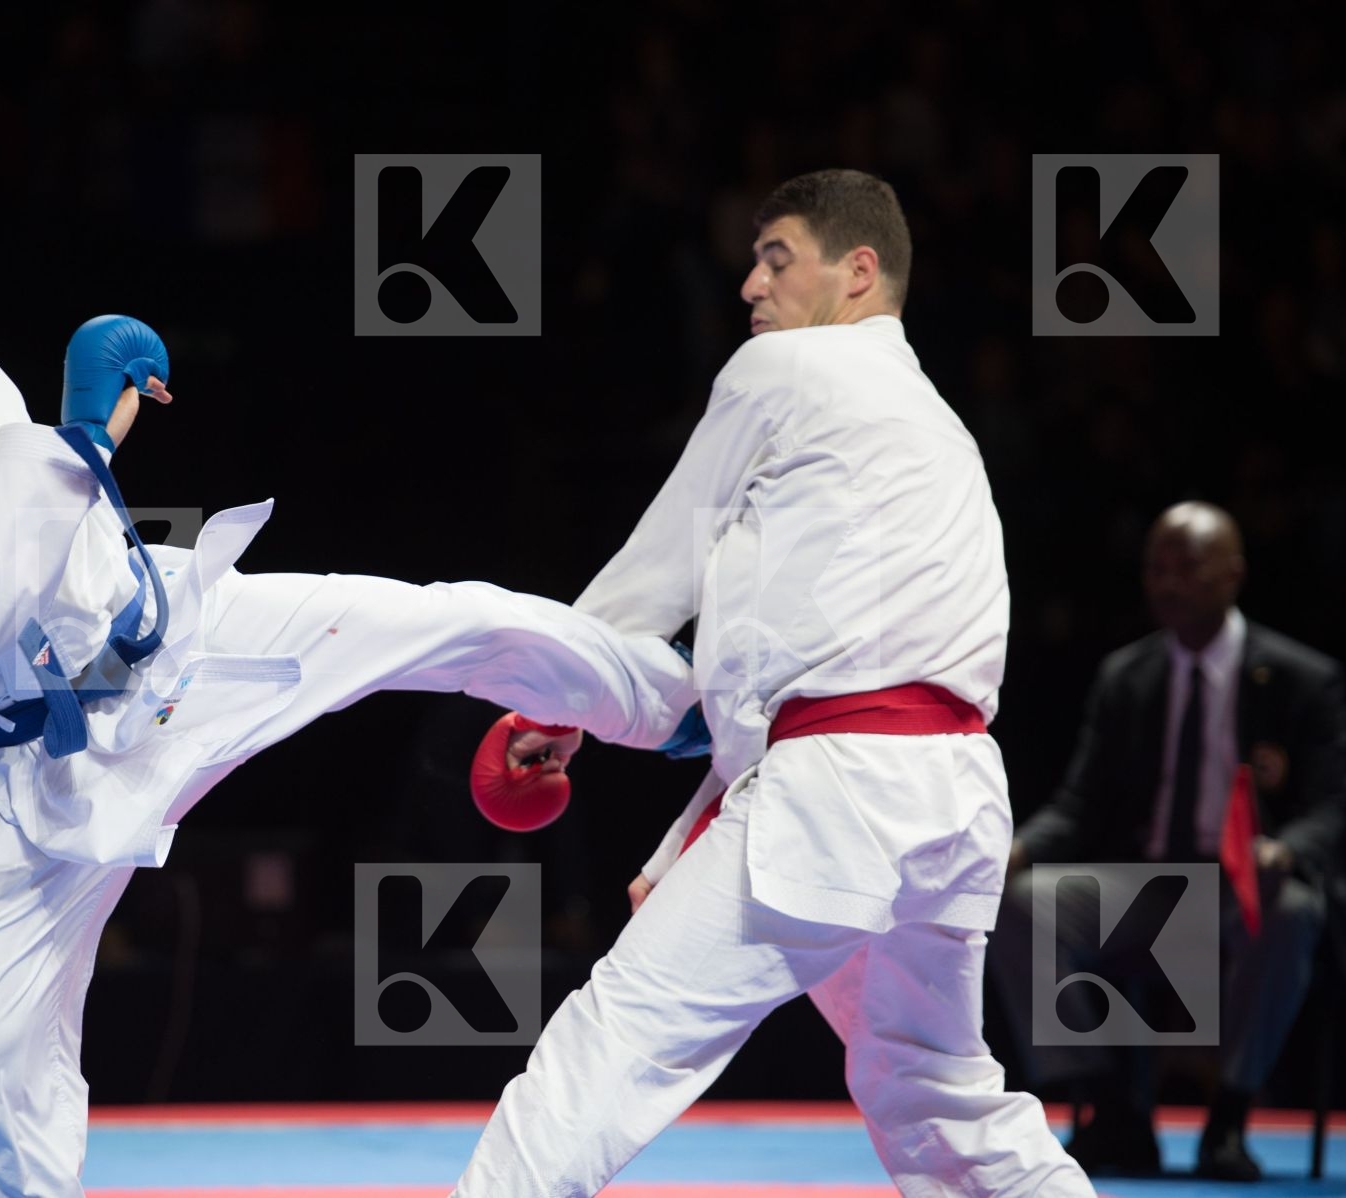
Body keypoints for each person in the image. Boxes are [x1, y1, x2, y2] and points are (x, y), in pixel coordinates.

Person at [0, 162, 697, 1196]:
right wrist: (89, 439)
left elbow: (33, 552)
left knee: (446, 618)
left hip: (175, 645)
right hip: (33, 782)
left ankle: (687, 711)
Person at [452, 169, 1095, 1197]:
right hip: (957, 801)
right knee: (938, 1092)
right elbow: (801, 663)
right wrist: (691, 833)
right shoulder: (941, 432)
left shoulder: (786, 372)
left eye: (776, 257)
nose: (750, 285)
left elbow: (662, 566)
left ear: (858, 270)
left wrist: (551, 696)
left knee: (616, 1038)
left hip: (839, 796)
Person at [993, 501, 1346, 1181]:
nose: (1167, 583)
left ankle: (1230, 1118)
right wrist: (1022, 845)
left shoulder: (1302, 679)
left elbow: (1332, 804)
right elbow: (1080, 803)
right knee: (1022, 900)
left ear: (1233, 575)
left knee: (1295, 909)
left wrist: (1288, 849)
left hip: (1244, 886)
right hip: (1147, 887)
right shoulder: (1128, 675)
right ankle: (1111, 1106)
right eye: (1157, 568)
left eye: (1187, 568)